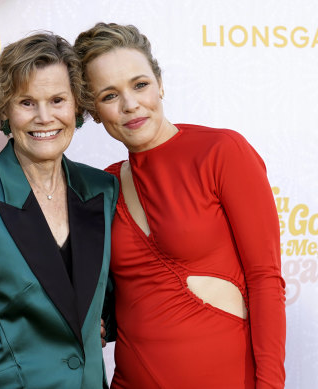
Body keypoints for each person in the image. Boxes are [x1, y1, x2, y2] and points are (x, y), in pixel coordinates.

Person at [74, 23, 286, 388]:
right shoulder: (103, 185)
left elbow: (265, 280)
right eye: (109, 95)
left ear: (160, 83)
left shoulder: (222, 153)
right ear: (93, 109)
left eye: (140, 85)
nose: (130, 104)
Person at [0, 33, 119, 389]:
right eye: (27, 102)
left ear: (77, 105)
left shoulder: (102, 189)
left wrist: (100, 316)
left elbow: (117, 289)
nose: (44, 117)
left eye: (58, 100)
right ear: (5, 110)